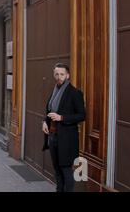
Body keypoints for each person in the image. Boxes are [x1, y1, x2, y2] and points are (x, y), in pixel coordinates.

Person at [42, 63, 86, 192]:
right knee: (57, 170)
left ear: (68, 75)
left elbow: (82, 115)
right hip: (53, 137)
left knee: (66, 170)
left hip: (67, 139)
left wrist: (62, 118)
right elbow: (49, 111)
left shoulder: (75, 93)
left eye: (62, 74)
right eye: (56, 74)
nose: (59, 77)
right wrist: (45, 122)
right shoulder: (55, 90)